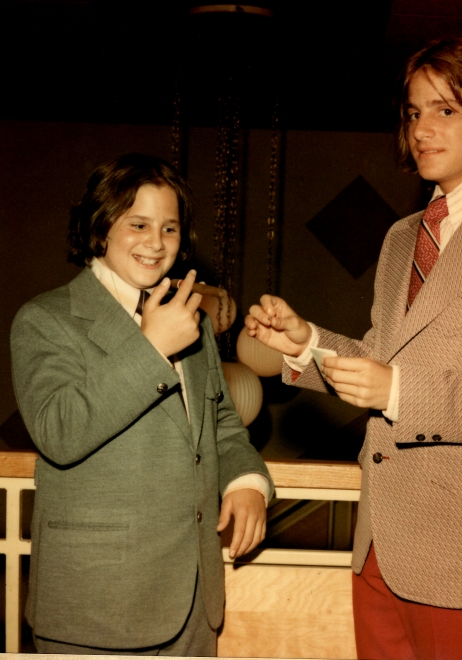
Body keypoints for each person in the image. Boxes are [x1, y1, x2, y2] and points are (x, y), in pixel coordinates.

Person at [245, 38, 462, 660]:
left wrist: (399, 391)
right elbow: (381, 359)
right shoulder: (404, 236)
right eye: (413, 111)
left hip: (461, 559)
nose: (422, 129)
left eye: (445, 110)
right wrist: (307, 343)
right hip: (377, 543)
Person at [11, 153, 273, 655]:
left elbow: (219, 420)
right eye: (138, 224)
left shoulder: (191, 319)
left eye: (169, 228)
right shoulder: (46, 319)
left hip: (194, 606)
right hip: (96, 608)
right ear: (100, 227)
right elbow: (58, 431)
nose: (156, 242)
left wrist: (246, 482)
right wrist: (152, 348)